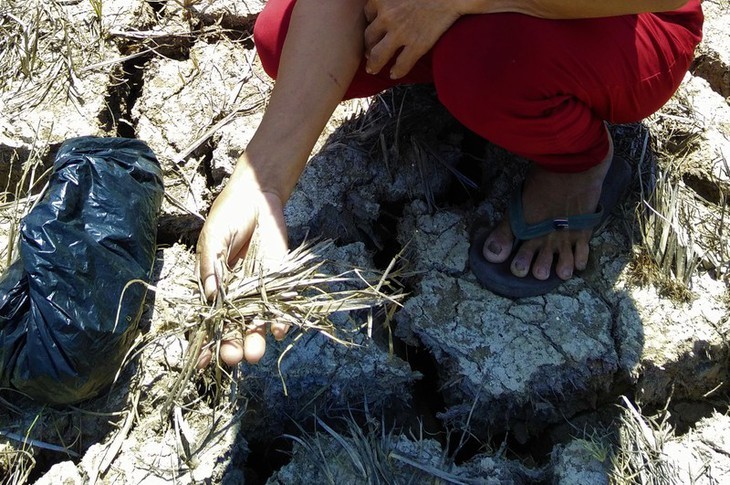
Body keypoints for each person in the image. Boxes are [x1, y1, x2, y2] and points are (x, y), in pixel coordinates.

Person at [195, 0, 703, 367]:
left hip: (623, 15)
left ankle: (579, 159)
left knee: (483, 66)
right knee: (282, 38)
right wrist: (262, 180)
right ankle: (479, 62)